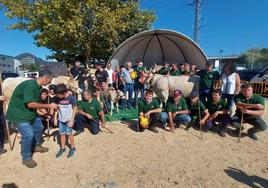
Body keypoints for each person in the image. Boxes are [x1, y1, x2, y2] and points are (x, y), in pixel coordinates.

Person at [6, 70, 58, 168]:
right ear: (45, 78)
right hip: (19, 114)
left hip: (30, 113)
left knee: (39, 127)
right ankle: (26, 157)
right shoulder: (30, 85)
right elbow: (30, 104)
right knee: (28, 135)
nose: (50, 83)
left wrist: (45, 113)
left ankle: (36, 145)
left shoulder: (38, 87)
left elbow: (37, 103)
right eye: (50, 80)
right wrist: (49, 105)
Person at [54, 84, 77, 158]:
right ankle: (63, 148)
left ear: (64, 93)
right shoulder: (57, 98)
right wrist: (55, 118)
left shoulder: (71, 98)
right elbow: (57, 109)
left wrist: (72, 120)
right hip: (61, 119)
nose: (58, 96)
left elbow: (75, 109)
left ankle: (72, 147)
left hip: (69, 119)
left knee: (69, 133)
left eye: (59, 95)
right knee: (62, 133)